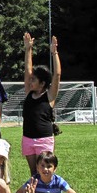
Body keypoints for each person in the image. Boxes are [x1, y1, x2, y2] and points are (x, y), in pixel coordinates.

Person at [22, 33, 62, 175]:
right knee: (34, 172)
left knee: (45, 172)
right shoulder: (29, 93)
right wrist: (28, 49)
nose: (30, 81)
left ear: (43, 83)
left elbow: (57, 75)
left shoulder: (49, 96)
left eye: (34, 80)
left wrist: (54, 52)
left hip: (44, 139)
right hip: (27, 138)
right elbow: (27, 70)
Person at [12, 151, 81, 193]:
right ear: (37, 167)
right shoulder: (34, 180)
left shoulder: (58, 181)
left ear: (55, 169)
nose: (45, 169)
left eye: (49, 166)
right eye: (42, 165)